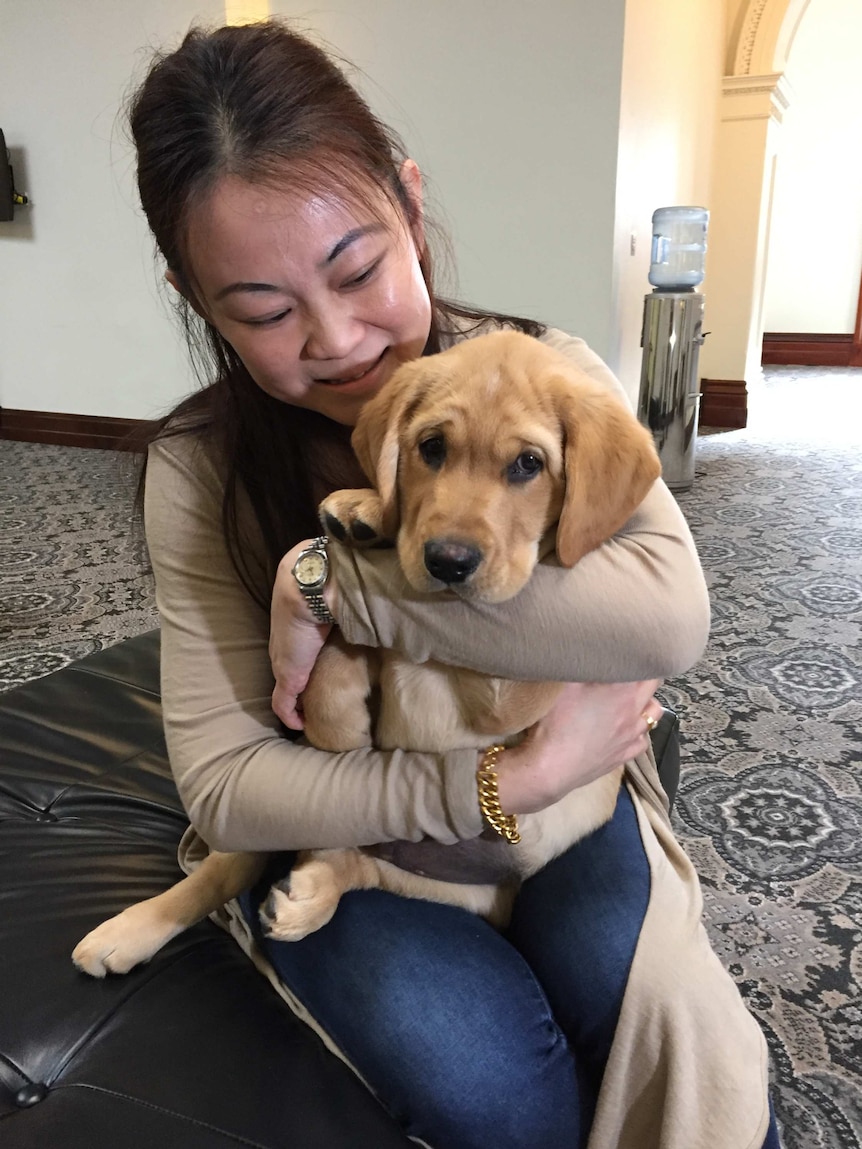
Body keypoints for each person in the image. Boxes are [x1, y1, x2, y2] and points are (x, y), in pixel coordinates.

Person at [130, 20, 780, 1149]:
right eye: (264, 312)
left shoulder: (547, 368)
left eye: (358, 269)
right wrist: (497, 785)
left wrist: (337, 588)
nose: (335, 340)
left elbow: (671, 617)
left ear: (410, 206)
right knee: (480, 1071)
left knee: (664, 1011)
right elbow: (231, 792)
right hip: (350, 824)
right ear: (194, 297)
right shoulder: (196, 471)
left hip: (575, 798)